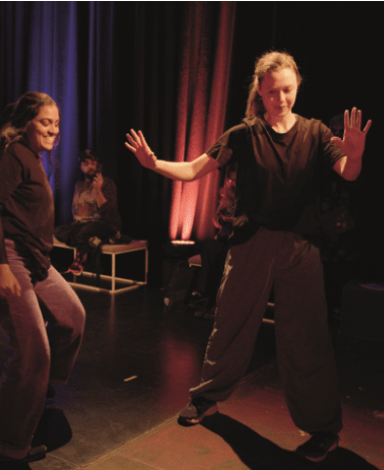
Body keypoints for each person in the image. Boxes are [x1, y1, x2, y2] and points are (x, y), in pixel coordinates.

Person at [125, 50, 371, 464]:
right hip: (251, 243)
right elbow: (193, 170)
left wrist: (357, 152)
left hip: (299, 248)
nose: (281, 98)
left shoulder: (313, 133)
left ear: (297, 88)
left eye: (288, 90)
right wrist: (153, 164)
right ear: (261, 90)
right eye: (273, 91)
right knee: (231, 323)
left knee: (307, 338)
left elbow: (348, 171)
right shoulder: (243, 134)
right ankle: (208, 398)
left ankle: (323, 429)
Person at [0, 91, 86, 463]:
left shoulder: (34, 158)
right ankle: (5, 448)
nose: (53, 129)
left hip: (34, 259)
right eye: (45, 122)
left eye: (56, 124)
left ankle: (38, 388)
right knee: (32, 352)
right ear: (26, 123)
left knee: (72, 317)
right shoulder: (14, 154)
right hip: (8, 256)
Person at [54, 149, 122, 275]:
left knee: (86, 231)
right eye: (86, 163)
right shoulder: (79, 185)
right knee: (59, 231)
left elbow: (109, 213)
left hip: (104, 223)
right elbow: (76, 210)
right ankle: (96, 240)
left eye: (93, 163)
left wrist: (98, 189)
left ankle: (79, 260)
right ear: (81, 166)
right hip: (83, 225)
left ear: (98, 165)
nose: (90, 166)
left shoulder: (107, 183)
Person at [188, 164, 236, 318]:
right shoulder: (226, 195)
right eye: (230, 180)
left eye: (235, 180)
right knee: (209, 247)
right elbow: (216, 220)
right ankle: (203, 293)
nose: (232, 183)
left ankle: (215, 302)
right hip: (224, 236)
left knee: (224, 255)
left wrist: (231, 220)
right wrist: (222, 219)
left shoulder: (249, 197)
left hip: (238, 239)